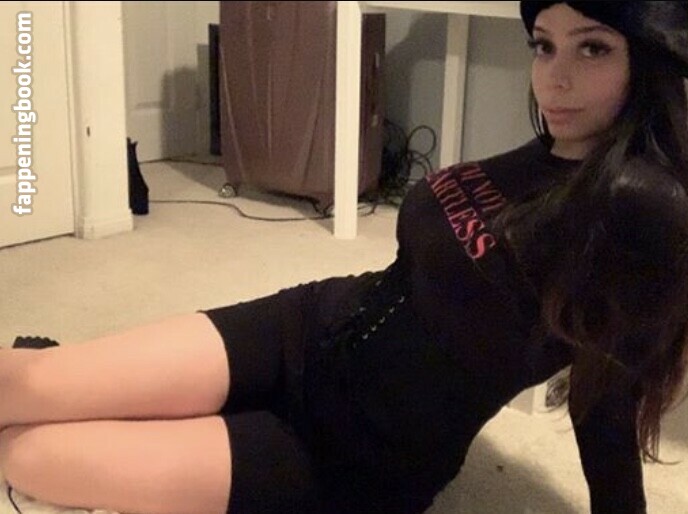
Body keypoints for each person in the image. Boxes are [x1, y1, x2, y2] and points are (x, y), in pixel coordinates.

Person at [2, 2, 688, 513]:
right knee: (24, 382)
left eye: (593, 48)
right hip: (308, 326)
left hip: (355, 454)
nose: (555, 79)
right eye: (544, 45)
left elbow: (606, 395)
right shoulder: (555, 149)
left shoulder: (642, 204)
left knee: (31, 454)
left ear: (648, 59)